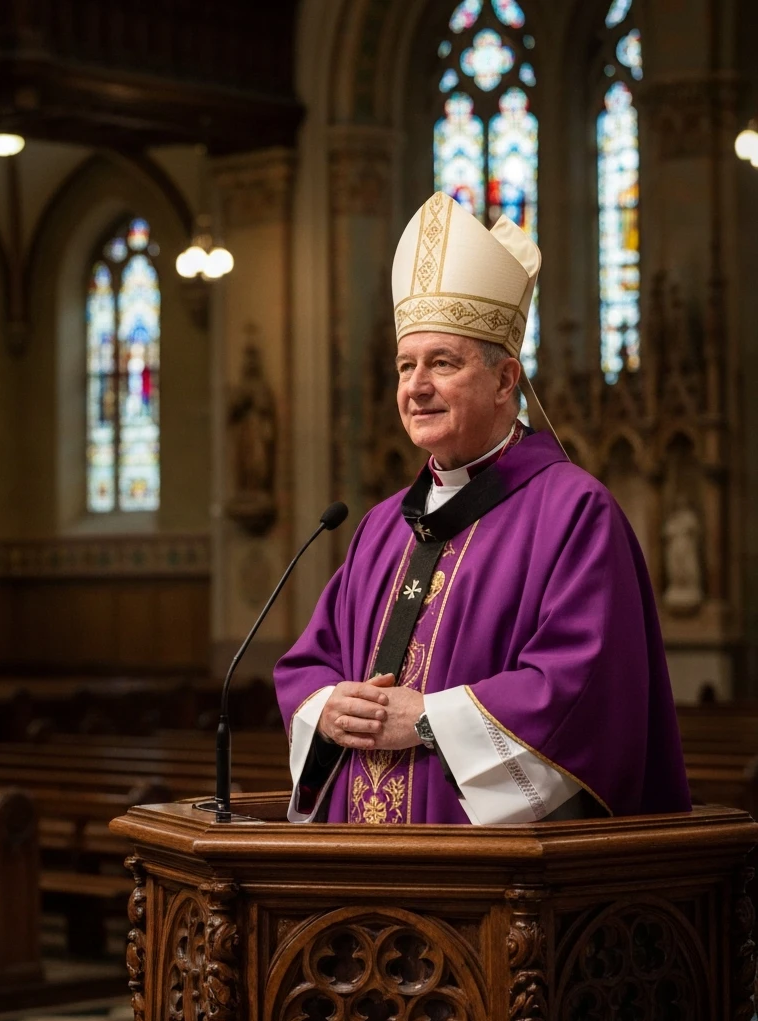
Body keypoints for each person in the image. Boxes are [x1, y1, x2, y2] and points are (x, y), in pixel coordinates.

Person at [275, 191, 691, 825]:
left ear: (505, 381)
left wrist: (431, 721)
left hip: (496, 889)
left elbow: (583, 694)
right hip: (353, 872)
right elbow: (310, 662)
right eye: (405, 366)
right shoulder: (381, 527)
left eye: (443, 363)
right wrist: (326, 707)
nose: (416, 387)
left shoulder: (574, 514)